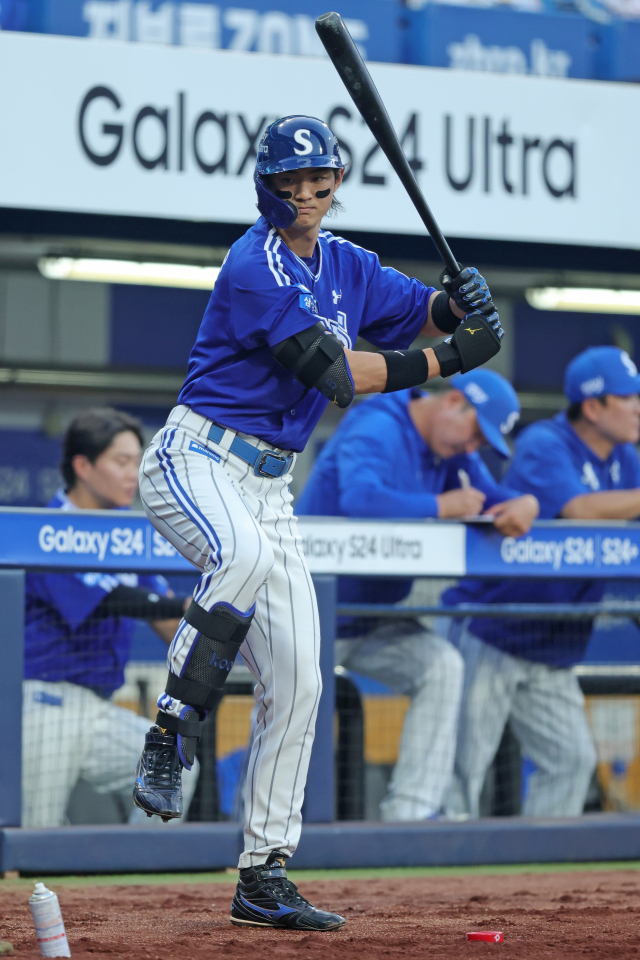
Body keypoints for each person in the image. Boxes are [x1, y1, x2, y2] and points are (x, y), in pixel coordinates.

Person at [132, 114, 504, 931]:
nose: (303, 195)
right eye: (288, 182)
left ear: (336, 181)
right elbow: (337, 373)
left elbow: (421, 314)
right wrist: (452, 358)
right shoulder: (254, 261)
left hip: (271, 484)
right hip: (196, 458)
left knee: (301, 678)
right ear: (265, 185)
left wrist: (458, 303)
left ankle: (262, 874)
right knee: (236, 558)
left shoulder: (350, 265)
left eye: (316, 181)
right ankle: (171, 727)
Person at [297, 369, 538, 820]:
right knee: (288, 712)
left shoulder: (451, 450)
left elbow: (491, 496)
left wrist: (527, 503)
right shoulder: (380, 422)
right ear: (453, 402)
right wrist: (442, 507)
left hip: (366, 618)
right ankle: (251, 835)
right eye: (474, 435)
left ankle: (410, 817)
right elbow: (361, 500)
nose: (473, 448)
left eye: (482, 444)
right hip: (304, 614)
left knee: (441, 665)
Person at [443, 346, 640, 819]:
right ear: (593, 407)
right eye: (628, 398)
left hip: (554, 644)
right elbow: (579, 511)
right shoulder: (545, 442)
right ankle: (430, 884)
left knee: (571, 760)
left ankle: (538, 881)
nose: (637, 408)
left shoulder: (625, 459)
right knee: (461, 768)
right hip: (493, 629)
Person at [22, 408, 194, 828]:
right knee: (31, 834)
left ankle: (139, 884)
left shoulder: (126, 534)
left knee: (174, 772)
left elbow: (169, 624)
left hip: (100, 708)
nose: (132, 474)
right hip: (45, 703)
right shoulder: (48, 527)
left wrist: (217, 630)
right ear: (83, 465)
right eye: (121, 462)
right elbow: (113, 600)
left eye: (137, 462)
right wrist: (183, 607)